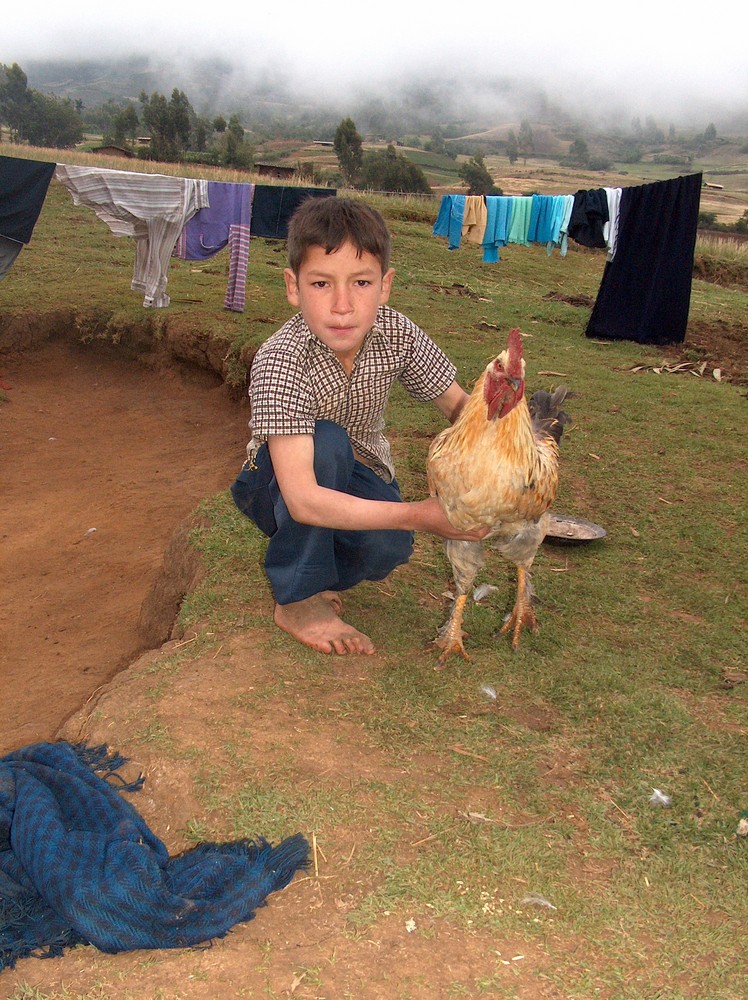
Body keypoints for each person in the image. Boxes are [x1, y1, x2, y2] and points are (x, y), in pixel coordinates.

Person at [230, 197, 487, 656]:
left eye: (361, 282)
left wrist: (514, 446)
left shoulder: (397, 332)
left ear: (385, 286)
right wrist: (423, 514)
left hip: (360, 468)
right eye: (322, 283)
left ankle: (322, 569)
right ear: (293, 287)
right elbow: (305, 499)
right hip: (277, 485)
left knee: (388, 548)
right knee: (326, 443)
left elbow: (462, 409)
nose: (343, 305)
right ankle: (298, 599)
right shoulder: (281, 359)